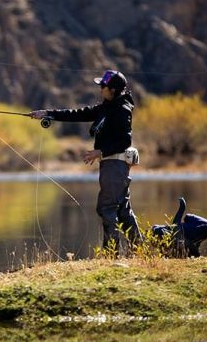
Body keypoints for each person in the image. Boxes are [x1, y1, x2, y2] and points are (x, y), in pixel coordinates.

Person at [30, 70, 141, 255]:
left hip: (115, 165)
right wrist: (47, 113)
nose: (100, 89)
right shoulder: (107, 106)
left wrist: (100, 151)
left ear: (113, 89)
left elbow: (125, 141)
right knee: (122, 210)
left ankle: (111, 255)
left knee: (107, 208)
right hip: (113, 165)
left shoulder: (121, 109)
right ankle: (139, 250)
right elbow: (78, 113)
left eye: (103, 86)